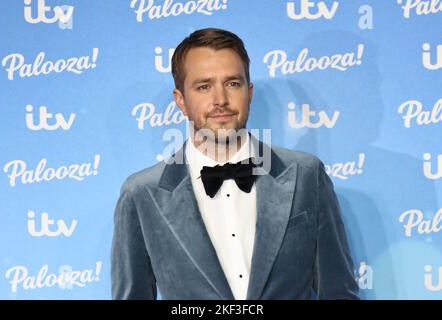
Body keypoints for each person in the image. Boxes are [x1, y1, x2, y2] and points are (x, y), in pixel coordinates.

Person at [111, 28, 359, 300]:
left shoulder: (305, 175)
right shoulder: (142, 193)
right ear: (180, 100)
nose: (220, 100)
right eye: (204, 86)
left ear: (249, 92)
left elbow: (339, 292)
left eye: (232, 83)